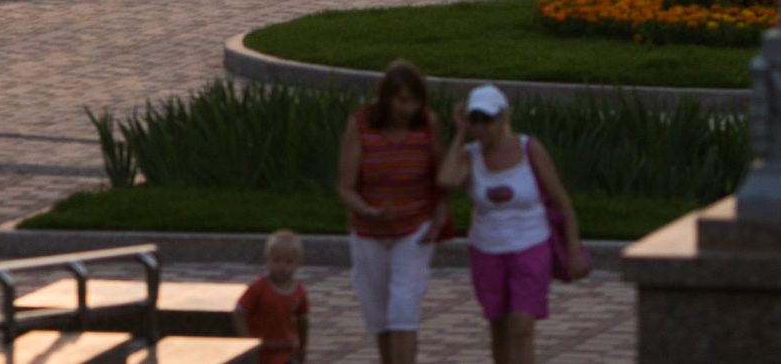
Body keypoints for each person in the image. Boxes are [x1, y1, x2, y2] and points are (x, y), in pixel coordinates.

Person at [438, 85, 583, 364]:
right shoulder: (470, 155)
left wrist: (573, 250)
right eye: (475, 120)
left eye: (487, 120)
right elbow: (446, 180)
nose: (481, 128)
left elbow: (562, 203)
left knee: (521, 325)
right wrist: (459, 133)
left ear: (502, 118)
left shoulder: (530, 149)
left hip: (530, 245)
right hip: (487, 249)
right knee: (500, 326)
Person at [336, 59, 445, 364]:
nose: (408, 108)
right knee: (380, 316)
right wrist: (369, 211)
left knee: (403, 309)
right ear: (386, 98)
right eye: (402, 100)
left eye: (414, 101)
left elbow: (441, 175)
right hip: (369, 231)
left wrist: (440, 212)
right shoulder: (360, 125)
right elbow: (346, 187)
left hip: (414, 229)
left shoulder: (427, 124)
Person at [233, 230, 309, 364]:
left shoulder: (299, 292)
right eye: (276, 260)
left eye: (288, 262)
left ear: (298, 263)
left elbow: (303, 321)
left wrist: (302, 347)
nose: (282, 266)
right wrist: (246, 341)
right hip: (261, 352)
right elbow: (239, 311)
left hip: (287, 352)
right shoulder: (259, 288)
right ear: (267, 260)